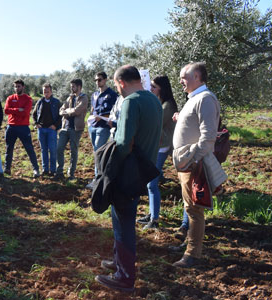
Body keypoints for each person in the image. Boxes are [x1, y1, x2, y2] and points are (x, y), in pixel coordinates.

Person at [94, 65, 162, 292]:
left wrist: (109, 161)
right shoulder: (153, 99)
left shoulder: (132, 101)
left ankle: (124, 277)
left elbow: (123, 143)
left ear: (121, 82)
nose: (117, 89)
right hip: (144, 167)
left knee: (123, 222)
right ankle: (119, 261)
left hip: (128, 169)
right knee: (121, 218)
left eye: (116, 85)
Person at [170, 62, 221, 268]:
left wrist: (194, 160)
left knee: (194, 210)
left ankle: (192, 255)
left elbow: (208, 138)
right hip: (188, 164)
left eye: (184, 76)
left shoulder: (206, 99)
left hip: (193, 165)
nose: (181, 80)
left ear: (198, 77)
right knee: (190, 208)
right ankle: (190, 247)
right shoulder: (195, 99)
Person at [137, 75, 178, 229]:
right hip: (156, 145)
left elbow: (155, 123)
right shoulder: (161, 103)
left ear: (162, 88)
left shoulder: (168, 105)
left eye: (154, 87)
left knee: (151, 183)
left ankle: (154, 219)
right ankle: (152, 214)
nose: (151, 89)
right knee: (150, 183)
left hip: (161, 146)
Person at [87, 72, 118, 188]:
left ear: (105, 80)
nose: (97, 82)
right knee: (96, 152)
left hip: (104, 127)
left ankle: (98, 179)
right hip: (93, 126)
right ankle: (98, 177)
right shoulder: (94, 94)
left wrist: (103, 118)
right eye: (96, 80)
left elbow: (113, 112)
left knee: (99, 152)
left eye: (99, 80)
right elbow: (92, 109)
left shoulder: (112, 94)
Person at [4, 79, 40, 178]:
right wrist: (17, 109)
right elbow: (6, 110)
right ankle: (7, 169)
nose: (17, 88)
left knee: (29, 148)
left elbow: (25, 112)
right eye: (15, 86)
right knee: (9, 148)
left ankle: (36, 169)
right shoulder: (10, 98)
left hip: (23, 127)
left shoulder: (28, 99)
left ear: (23, 87)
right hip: (11, 126)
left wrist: (14, 111)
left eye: (18, 86)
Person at [55, 79, 88, 181]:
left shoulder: (84, 98)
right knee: (59, 148)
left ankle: (71, 173)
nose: (71, 88)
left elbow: (77, 111)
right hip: (65, 127)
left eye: (73, 86)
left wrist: (67, 112)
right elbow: (61, 110)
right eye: (71, 86)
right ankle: (59, 171)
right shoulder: (70, 97)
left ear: (79, 87)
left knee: (73, 152)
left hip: (76, 129)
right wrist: (68, 111)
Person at [32, 83, 61, 176]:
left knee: (52, 150)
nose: (46, 93)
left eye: (47, 91)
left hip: (52, 130)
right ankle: (45, 169)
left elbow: (61, 116)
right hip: (41, 130)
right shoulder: (40, 102)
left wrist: (55, 126)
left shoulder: (56, 102)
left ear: (51, 91)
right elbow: (34, 114)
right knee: (43, 150)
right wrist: (36, 123)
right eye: (44, 91)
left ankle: (53, 170)